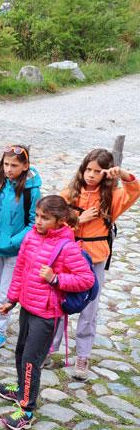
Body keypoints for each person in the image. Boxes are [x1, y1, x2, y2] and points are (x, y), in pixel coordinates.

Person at [0, 196, 94, 430]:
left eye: (45, 218)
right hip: (28, 306)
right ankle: (21, 390)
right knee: (20, 352)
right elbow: (20, 270)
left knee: (32, 360)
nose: (38, 221)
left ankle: (26, 410)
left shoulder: (67, 247)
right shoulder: (31, 237)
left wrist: (56, 279)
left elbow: (86, 279)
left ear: (59, 221)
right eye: (37, 216)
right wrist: (12, 299)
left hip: (47, 314)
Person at [56, 150, 138, 379]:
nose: (91, 175)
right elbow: (53, 224)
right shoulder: (68, 194)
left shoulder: (112, 197)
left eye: (97, 171)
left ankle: (82, 356)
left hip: (95, 258)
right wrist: (78, 220)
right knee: (57, 301)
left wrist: (122, 173)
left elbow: (134, 190)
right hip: (68, 255)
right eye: (88, 169)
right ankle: (49, 348)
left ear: (106, 174)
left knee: (90, 308)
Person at [0, 145, 42, 352]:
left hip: (15, 251)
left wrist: (14, 241)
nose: (8, 169)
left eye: (14, 165)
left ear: (25, 166)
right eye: (5, 164)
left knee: (6, 294)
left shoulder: (32, 191)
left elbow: (33, 223)